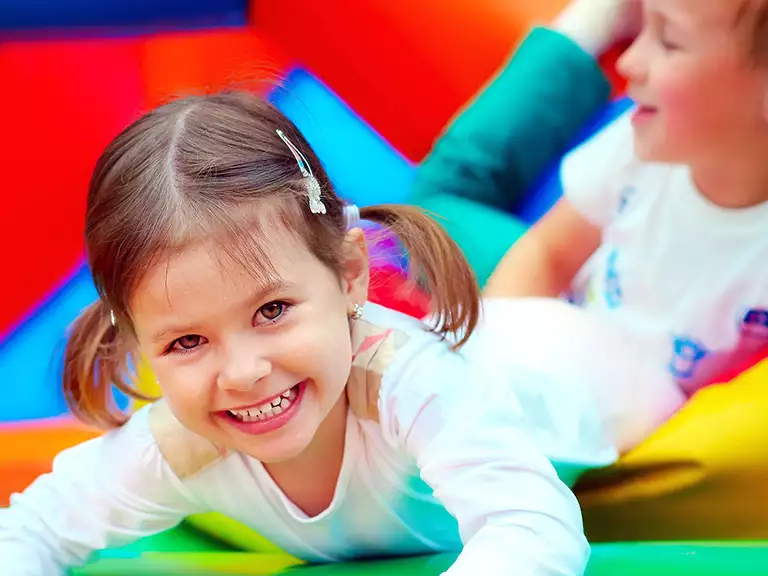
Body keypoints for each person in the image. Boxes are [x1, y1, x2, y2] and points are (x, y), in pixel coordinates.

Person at [0, 91, 613, 575]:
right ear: (137, 343)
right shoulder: (180, 446)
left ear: (350, 274)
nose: (243, 373)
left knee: (467, 197)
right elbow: (31, 529)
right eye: (187, 342)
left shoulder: (407, 382)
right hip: (490, 332)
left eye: (271, 311)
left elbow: (529, 520)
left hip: (577, 360)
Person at [485, 0, 768, 412]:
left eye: (669, 42)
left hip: (622, 430)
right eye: (644, 29)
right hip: (560, 347)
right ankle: (584, 31)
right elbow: (547, 254)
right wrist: (488, 356)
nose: (629, 62)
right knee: (443, 201)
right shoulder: (640, 144)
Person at [409, 0, 641, 285]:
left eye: (671, 42)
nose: (632, 63)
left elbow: (431, 214)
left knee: (429, 215)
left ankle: (587, 30)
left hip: (561, 297)